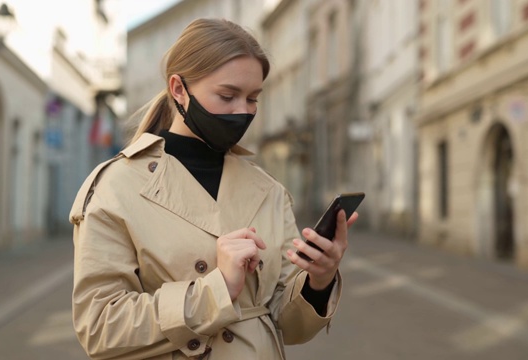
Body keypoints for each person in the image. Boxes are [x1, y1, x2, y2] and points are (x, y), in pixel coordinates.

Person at [69, 18, 358, 360]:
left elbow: (288, 324)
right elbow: (100, 326)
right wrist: (216, 289)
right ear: (178, 89)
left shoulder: (268, 189)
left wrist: (318, 279)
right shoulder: (116, 186)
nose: (242, 112)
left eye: (253, 98)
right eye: (227, 95)